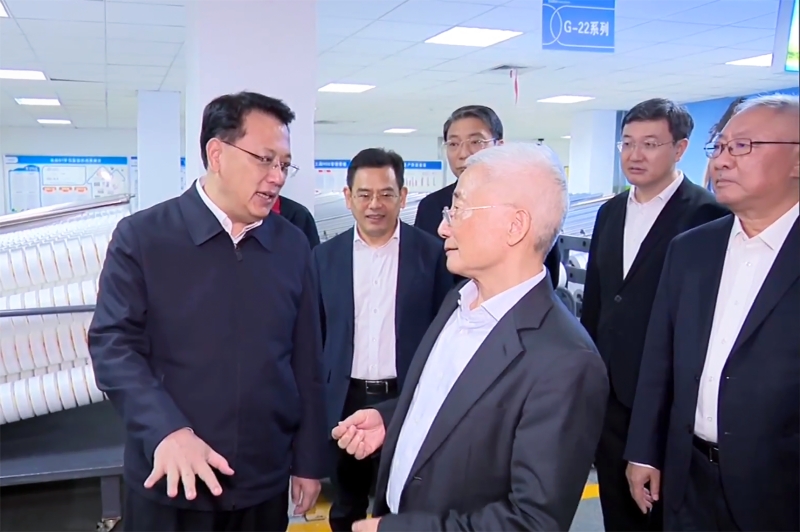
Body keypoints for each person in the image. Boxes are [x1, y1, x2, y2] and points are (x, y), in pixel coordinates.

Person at [333, 143, 609, 532]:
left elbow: (533, 522)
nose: (443, 227)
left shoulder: (566, 362)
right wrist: (392, 419)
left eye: (459, 209)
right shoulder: (459, 300)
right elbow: (453, 402)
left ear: (515, 226)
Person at [88, 91, 327, 531]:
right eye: (265, 159)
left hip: (263, 484)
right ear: (217, 154)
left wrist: (310, 460)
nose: (277, 177)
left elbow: (307, 360)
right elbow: (113, 346)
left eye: (284, 164)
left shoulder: (292, 245)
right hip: (170, 480)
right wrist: (166, 430)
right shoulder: (144, 238)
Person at [625, 93, 800, 531]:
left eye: (742, 147)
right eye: (718, 146)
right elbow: (660, 358)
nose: (721, 161)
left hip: (781, 488)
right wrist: (644, 450)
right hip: (688, 477)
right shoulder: (692, 250)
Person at [580, 98, 729, 532]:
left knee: (659, 516)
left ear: (680, 149)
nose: (635, 154)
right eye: (627, 143)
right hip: (610, 394)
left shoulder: (706, 214)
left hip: (666, 399)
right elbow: (599, 301)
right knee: (616, 512)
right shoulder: (610, 211)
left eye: (650, 144)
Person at [313, 148, 452, 531]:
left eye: (386, 194)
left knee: (402, 502)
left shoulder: (433, 255)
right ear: (348, 197)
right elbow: (316, 336)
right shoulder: (324, 258)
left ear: (402, 196)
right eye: (364, 194)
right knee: (346, 504)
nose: (375, 204)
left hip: (407, 398)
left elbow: (443, 332)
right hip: (346, 400)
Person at [414, 105, 562, 288]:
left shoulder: (526, 200)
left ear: (499, 145)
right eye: (453, 144)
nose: (463, 153)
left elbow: (546, 274)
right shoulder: (431, 207)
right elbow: (422, 275)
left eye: (476, 141)